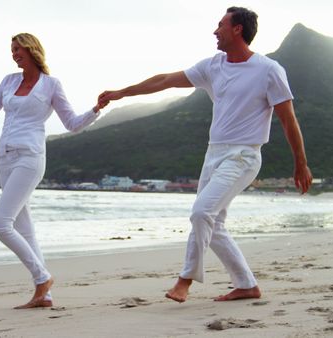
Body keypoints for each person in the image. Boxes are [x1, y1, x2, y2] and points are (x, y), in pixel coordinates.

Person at [98, 7, 312, 303]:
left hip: (244, 155)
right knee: (213, 222)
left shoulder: (269, 70)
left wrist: (300, 163)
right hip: (214, 154)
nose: (215, 30)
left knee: (201, 213)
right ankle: (247, 284)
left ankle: (185, 279)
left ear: (237, 29)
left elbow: (289, 119)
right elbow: (165, 80)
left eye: (221, 24)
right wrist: (123, 92)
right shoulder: (214, 66)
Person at [0, 33, 106, 309]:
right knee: (24, 227)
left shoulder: (51, 85)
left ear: (32, 50)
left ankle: (42, 277)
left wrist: (95, 109)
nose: (14, 53)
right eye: (12, 49)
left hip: (30, 157)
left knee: (0, 224)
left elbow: (72, 123)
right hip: (5, 158)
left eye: (18, 48)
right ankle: (44, 295)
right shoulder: (9, 81)